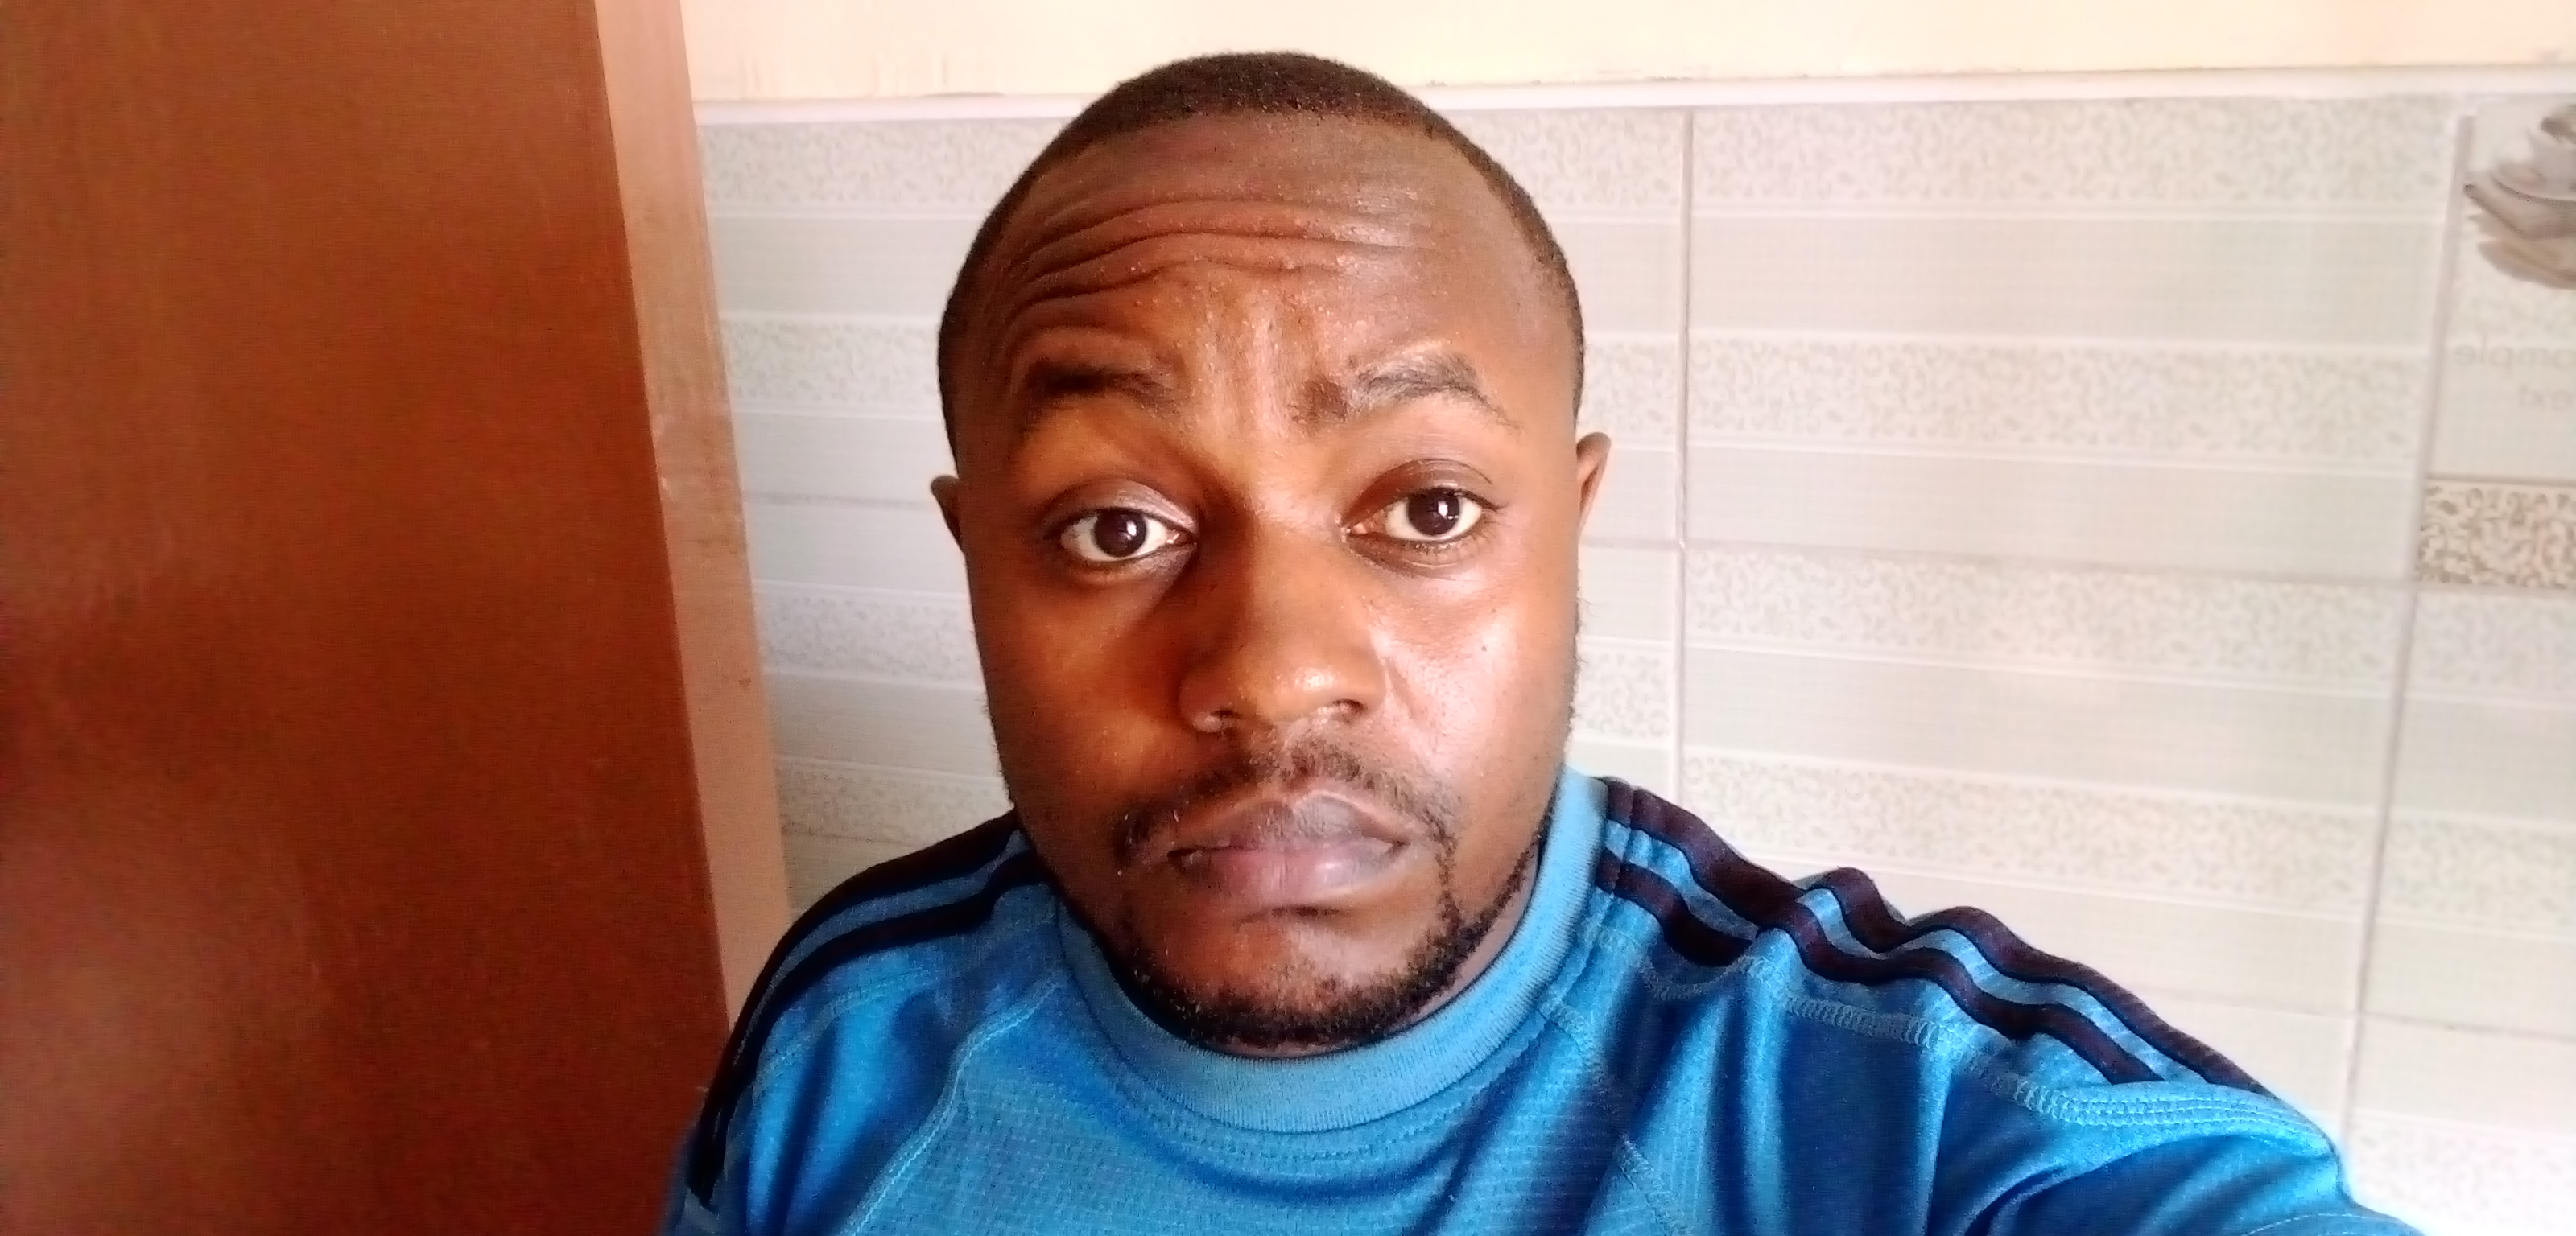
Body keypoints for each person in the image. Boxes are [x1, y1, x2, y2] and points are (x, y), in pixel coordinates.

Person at [662, 52, 2410, 1236]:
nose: (1273, 670)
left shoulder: (1921, 1117)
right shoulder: (844, 1050)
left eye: (1424, 508)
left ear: (1569, 531)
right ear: (977, 559)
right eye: (1116, 529)